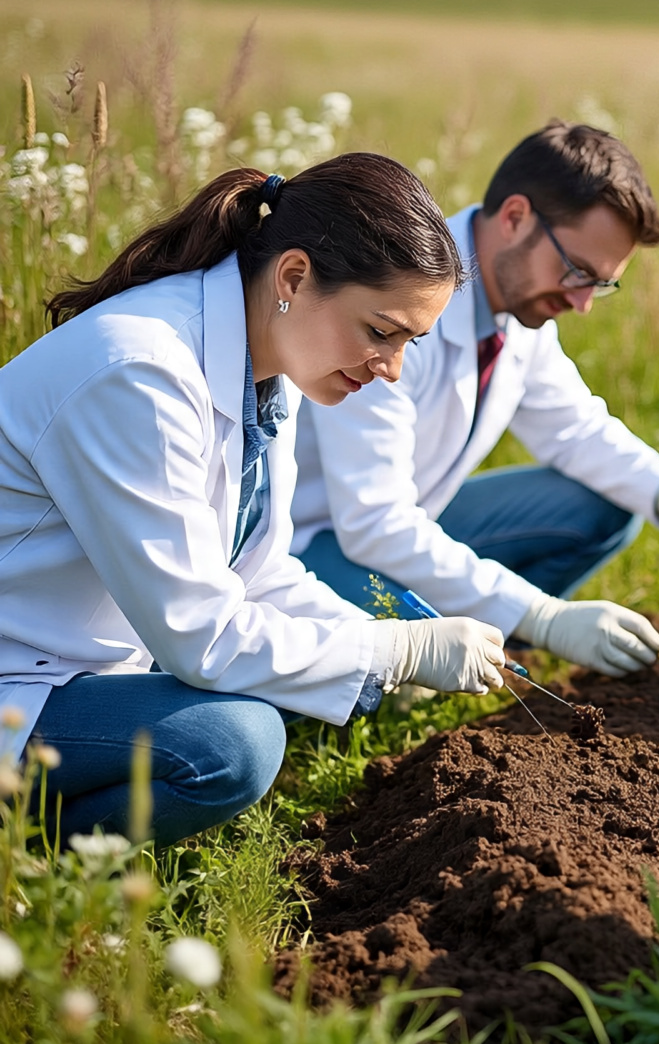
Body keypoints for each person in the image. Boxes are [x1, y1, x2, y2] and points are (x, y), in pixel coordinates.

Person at [0, 154, 507, 845]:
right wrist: (392, 651)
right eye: (381, 332)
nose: (391, 370)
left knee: (300, 685)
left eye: (409, 344)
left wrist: (386, 650)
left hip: (80, 673)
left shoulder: (269, 371)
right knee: (234, 741)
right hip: (16, 686)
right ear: (294, 277)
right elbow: (199, 632)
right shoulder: (140, 373)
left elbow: (259, 575)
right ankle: (31, 868)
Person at [291, 121, 659, 678]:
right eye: (579, 272)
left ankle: (480, 645)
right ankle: (434, 662)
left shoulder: (520, 309)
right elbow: (374, 523)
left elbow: (575, 429)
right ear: (515, 218)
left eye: (600, 285)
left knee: (607, 501)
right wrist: (543, 615)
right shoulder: (398, 298)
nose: (584, 303)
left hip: (410, 522)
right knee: (350, 675)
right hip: (320, 545)